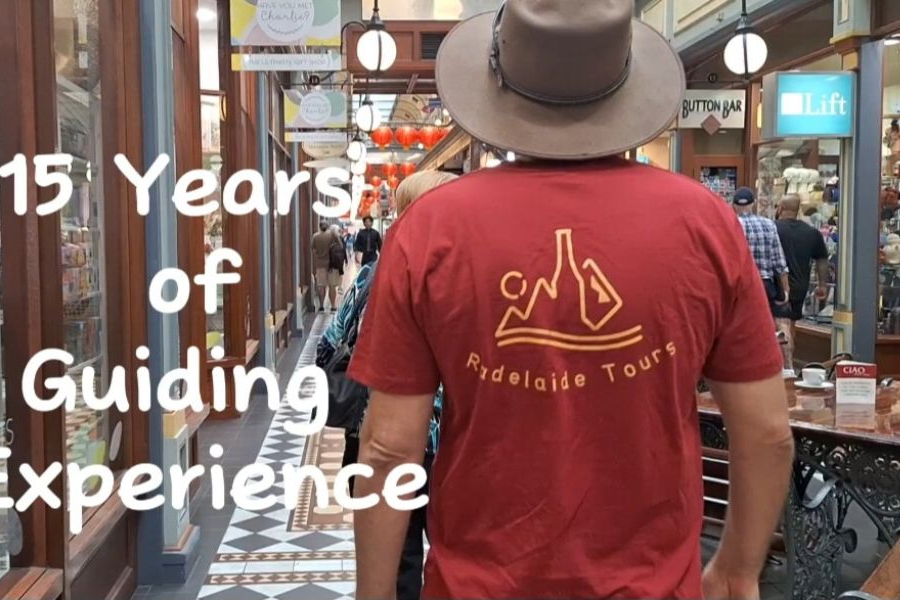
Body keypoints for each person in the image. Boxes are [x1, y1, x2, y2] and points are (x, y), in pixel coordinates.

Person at [347, 2, 794, 599]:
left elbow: (387, 448)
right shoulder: (706, 224)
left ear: (499, 83)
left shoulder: (431, 229)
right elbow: (766, 433)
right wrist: (737, 568)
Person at [320, 170, 457, 600]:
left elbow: (328, 346)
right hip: (451, 441)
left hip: (382, 430)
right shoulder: (465, 275)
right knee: (456, 552)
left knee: (400, 556)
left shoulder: (372, 276)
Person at [775, 194, 830, 369]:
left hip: (778, 285)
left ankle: (786, 366)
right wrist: (822, 285)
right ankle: (789, 359)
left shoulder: (773, 228)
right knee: (790, 323)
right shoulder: (811, 232)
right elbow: (822, 259)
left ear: (780, 208)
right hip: (800, 285)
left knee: (781, 325)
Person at [733, 187, 792, 319]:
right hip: (765, 285)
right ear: (753, 204)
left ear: (734, 206)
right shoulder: (769, 224)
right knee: (765, 323)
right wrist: (785, 291)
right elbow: (779, 262)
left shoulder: (731, 225)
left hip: (739, 286)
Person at [311, 221, 341, 312]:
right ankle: (333, 306)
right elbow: (340, 246)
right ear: (328, 226)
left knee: (321, 286)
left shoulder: (315, 236)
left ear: (319, 226)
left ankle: (321, 306)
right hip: (332, 265)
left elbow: (313, 250)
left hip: (320, 265)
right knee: (332, 286)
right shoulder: (332, 235)